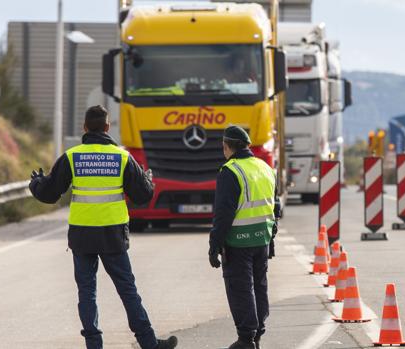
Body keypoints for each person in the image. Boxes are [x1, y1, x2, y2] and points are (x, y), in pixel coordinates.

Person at [29, 105, 177, 349]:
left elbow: (49, 193)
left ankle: (94, 345)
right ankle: (149, 343)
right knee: (127, 290)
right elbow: (143, 195)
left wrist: (36, 183)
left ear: (84, 128)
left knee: (87, 292)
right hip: (113, 235)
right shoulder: (122, 157)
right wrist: (147, 180)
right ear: (108, 127)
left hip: (82, 234)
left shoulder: (71, 156)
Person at [208, 126, 280, 349]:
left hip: (238, 242)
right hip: (262, 239)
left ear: (227, 146)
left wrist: (214, 245)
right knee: (259, 286)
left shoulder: (230, 171)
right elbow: (274, 205)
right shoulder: (265, 167)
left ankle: (245, 339)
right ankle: (256, 335)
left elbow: (223, 214)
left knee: (240, 288)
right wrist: (272, 233)